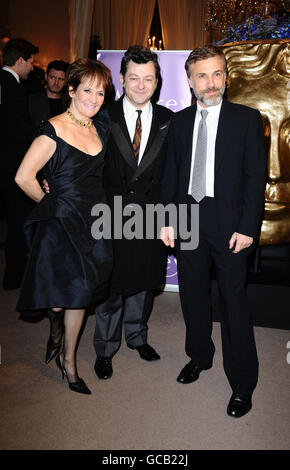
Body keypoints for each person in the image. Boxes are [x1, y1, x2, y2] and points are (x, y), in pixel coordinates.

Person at [161, 46, 266, 418]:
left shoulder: (248, 120)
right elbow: (172, 175)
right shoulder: (178, 122)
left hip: (230, 225)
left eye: (217, 74)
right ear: (189, 81)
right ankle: (199, 356)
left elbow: (256, 180)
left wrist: (247, 228)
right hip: (188, 218)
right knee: (192, 296)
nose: (211, 83)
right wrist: (167, 219)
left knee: (234, 303)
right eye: (202, 76)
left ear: (227, 76)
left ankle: (242, 383)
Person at [15, 59, 113, 395]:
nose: (94, 97)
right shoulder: (51, 130)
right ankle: (55, 329)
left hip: (95, 223)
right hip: (61, 225)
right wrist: (52, 204)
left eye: (100, 92)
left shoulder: (101, 128)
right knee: (59, 302)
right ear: (71, 90)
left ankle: (68, 362)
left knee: (80, 296)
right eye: (87, 89)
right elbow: (23, 177)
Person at [93, 46, 173, 380]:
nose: (141, 85)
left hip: (151, 215)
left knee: (142, 281)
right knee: (110, 285)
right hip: (109, 213)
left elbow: (173, 174)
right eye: (134, 78)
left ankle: (137, 337)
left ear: (157, 82)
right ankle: (105, 347)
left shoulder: (170, 120)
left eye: (149, 79)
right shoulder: (101, 116)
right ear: (122, 79)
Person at [0, 38, 39, 290]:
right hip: (12, 165)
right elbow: (19, 130)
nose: (33, 68)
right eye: (31, 62)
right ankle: (14, 278)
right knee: (17, 224)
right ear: (20, 60)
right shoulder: (14, 89)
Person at [29, 60, 68, 131]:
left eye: (60, 79)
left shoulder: (69, 103)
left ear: (65, 81)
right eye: (52, 78)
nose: (56, 83)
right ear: (46, 77)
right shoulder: (32, 101)